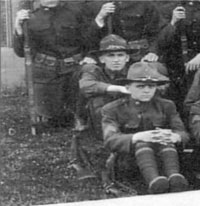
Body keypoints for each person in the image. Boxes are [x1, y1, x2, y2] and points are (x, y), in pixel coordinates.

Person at [102, 62, 189, 194]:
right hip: (130, 161)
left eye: (151, 86)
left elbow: (183, 133)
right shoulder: (113, 109)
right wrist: (137, 137)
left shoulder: (166, 106)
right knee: (142, 143)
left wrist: (175, 136)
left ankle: (174, 178)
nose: (147, 90)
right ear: (128, 87)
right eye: (140, 86)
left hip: (165, 157)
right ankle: (154, 183)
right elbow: (110, 140)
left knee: (165, 140)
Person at [13, 0, 90, 128]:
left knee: (77, 111)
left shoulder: (75, 12)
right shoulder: (31, 17)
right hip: (46, 73)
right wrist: (18, 27)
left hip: (73, 71)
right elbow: (21, 51)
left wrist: (89, 56)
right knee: (51, 118)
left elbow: (88, 38)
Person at [78, 34, 137, 139]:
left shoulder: (134, 71)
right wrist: (119, 88)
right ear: (102, 59)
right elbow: (85, 85)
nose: (116, 60)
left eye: (120, 55)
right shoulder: (94, 70)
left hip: (128, 114)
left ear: (127, 58)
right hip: (101, 116)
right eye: (111, 55)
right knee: (97, 99)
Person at [85, 0, 161, 63]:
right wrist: (100, 17)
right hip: (108, 57)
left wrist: (152, 52)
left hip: (140, 55)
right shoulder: (94, 5)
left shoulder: (145, 4)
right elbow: (87, 38)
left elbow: (156, 33)